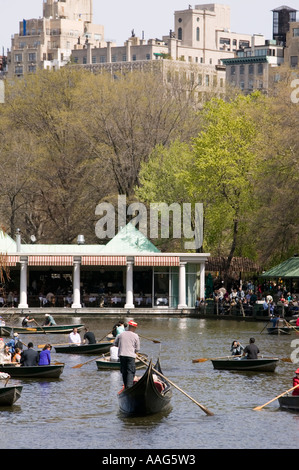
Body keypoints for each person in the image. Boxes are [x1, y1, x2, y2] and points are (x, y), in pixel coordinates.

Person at [114, 320, 140, 388]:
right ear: (134, 328)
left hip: (122, 355)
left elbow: (115, 344)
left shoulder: (121, 334)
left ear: (128, 326)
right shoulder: (136, 336)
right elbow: (137, 349)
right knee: (130, 371)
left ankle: (126, 386)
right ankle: (129, 387)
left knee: (124, 371)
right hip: (131, 356)